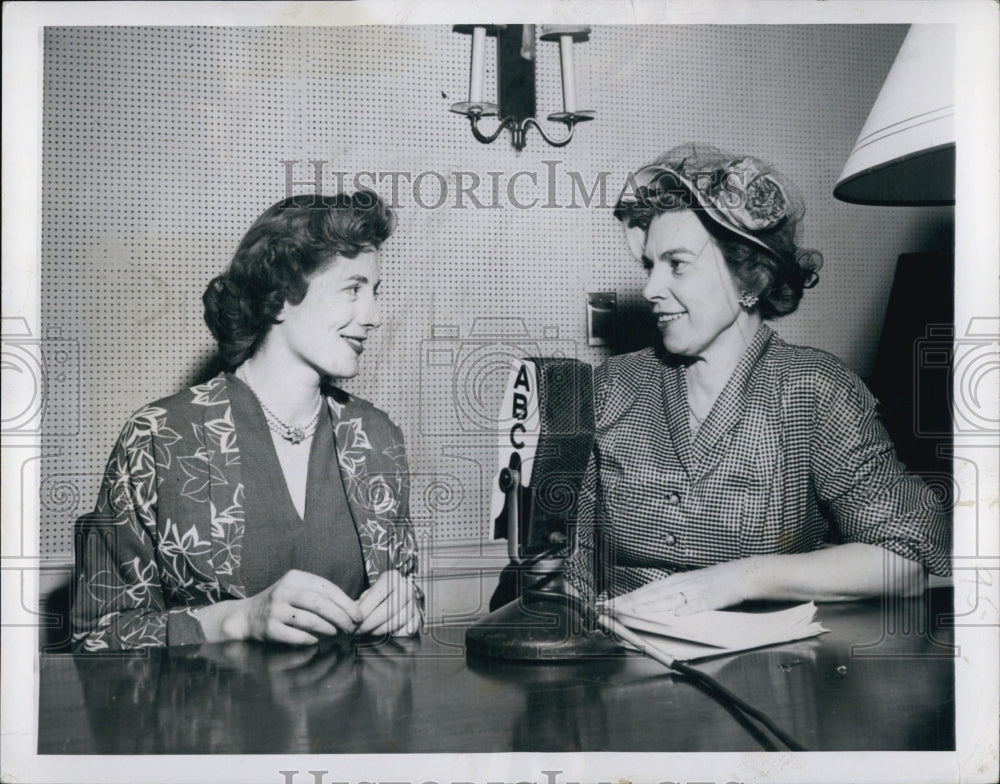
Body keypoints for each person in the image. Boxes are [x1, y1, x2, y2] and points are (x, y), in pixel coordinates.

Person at [564, 143, 951, 618]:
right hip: (616, 667)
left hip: (764, 674)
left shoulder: (813, 389)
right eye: (649, 265)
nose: (649, 289)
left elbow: (907, 559)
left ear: (752, 277)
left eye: (677, 264)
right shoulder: (613, 386)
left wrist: (739, 578)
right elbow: (572, 563)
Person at [71, 193, 422, 650]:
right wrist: (236, 619)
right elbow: (95, 637)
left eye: (375, 292)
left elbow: (403, 592)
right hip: (212, 719)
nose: (372, 316)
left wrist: (404, 602)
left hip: (354, 718)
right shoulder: (159, 437)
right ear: (280, 295)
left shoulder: (377, 437)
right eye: (353, 289)